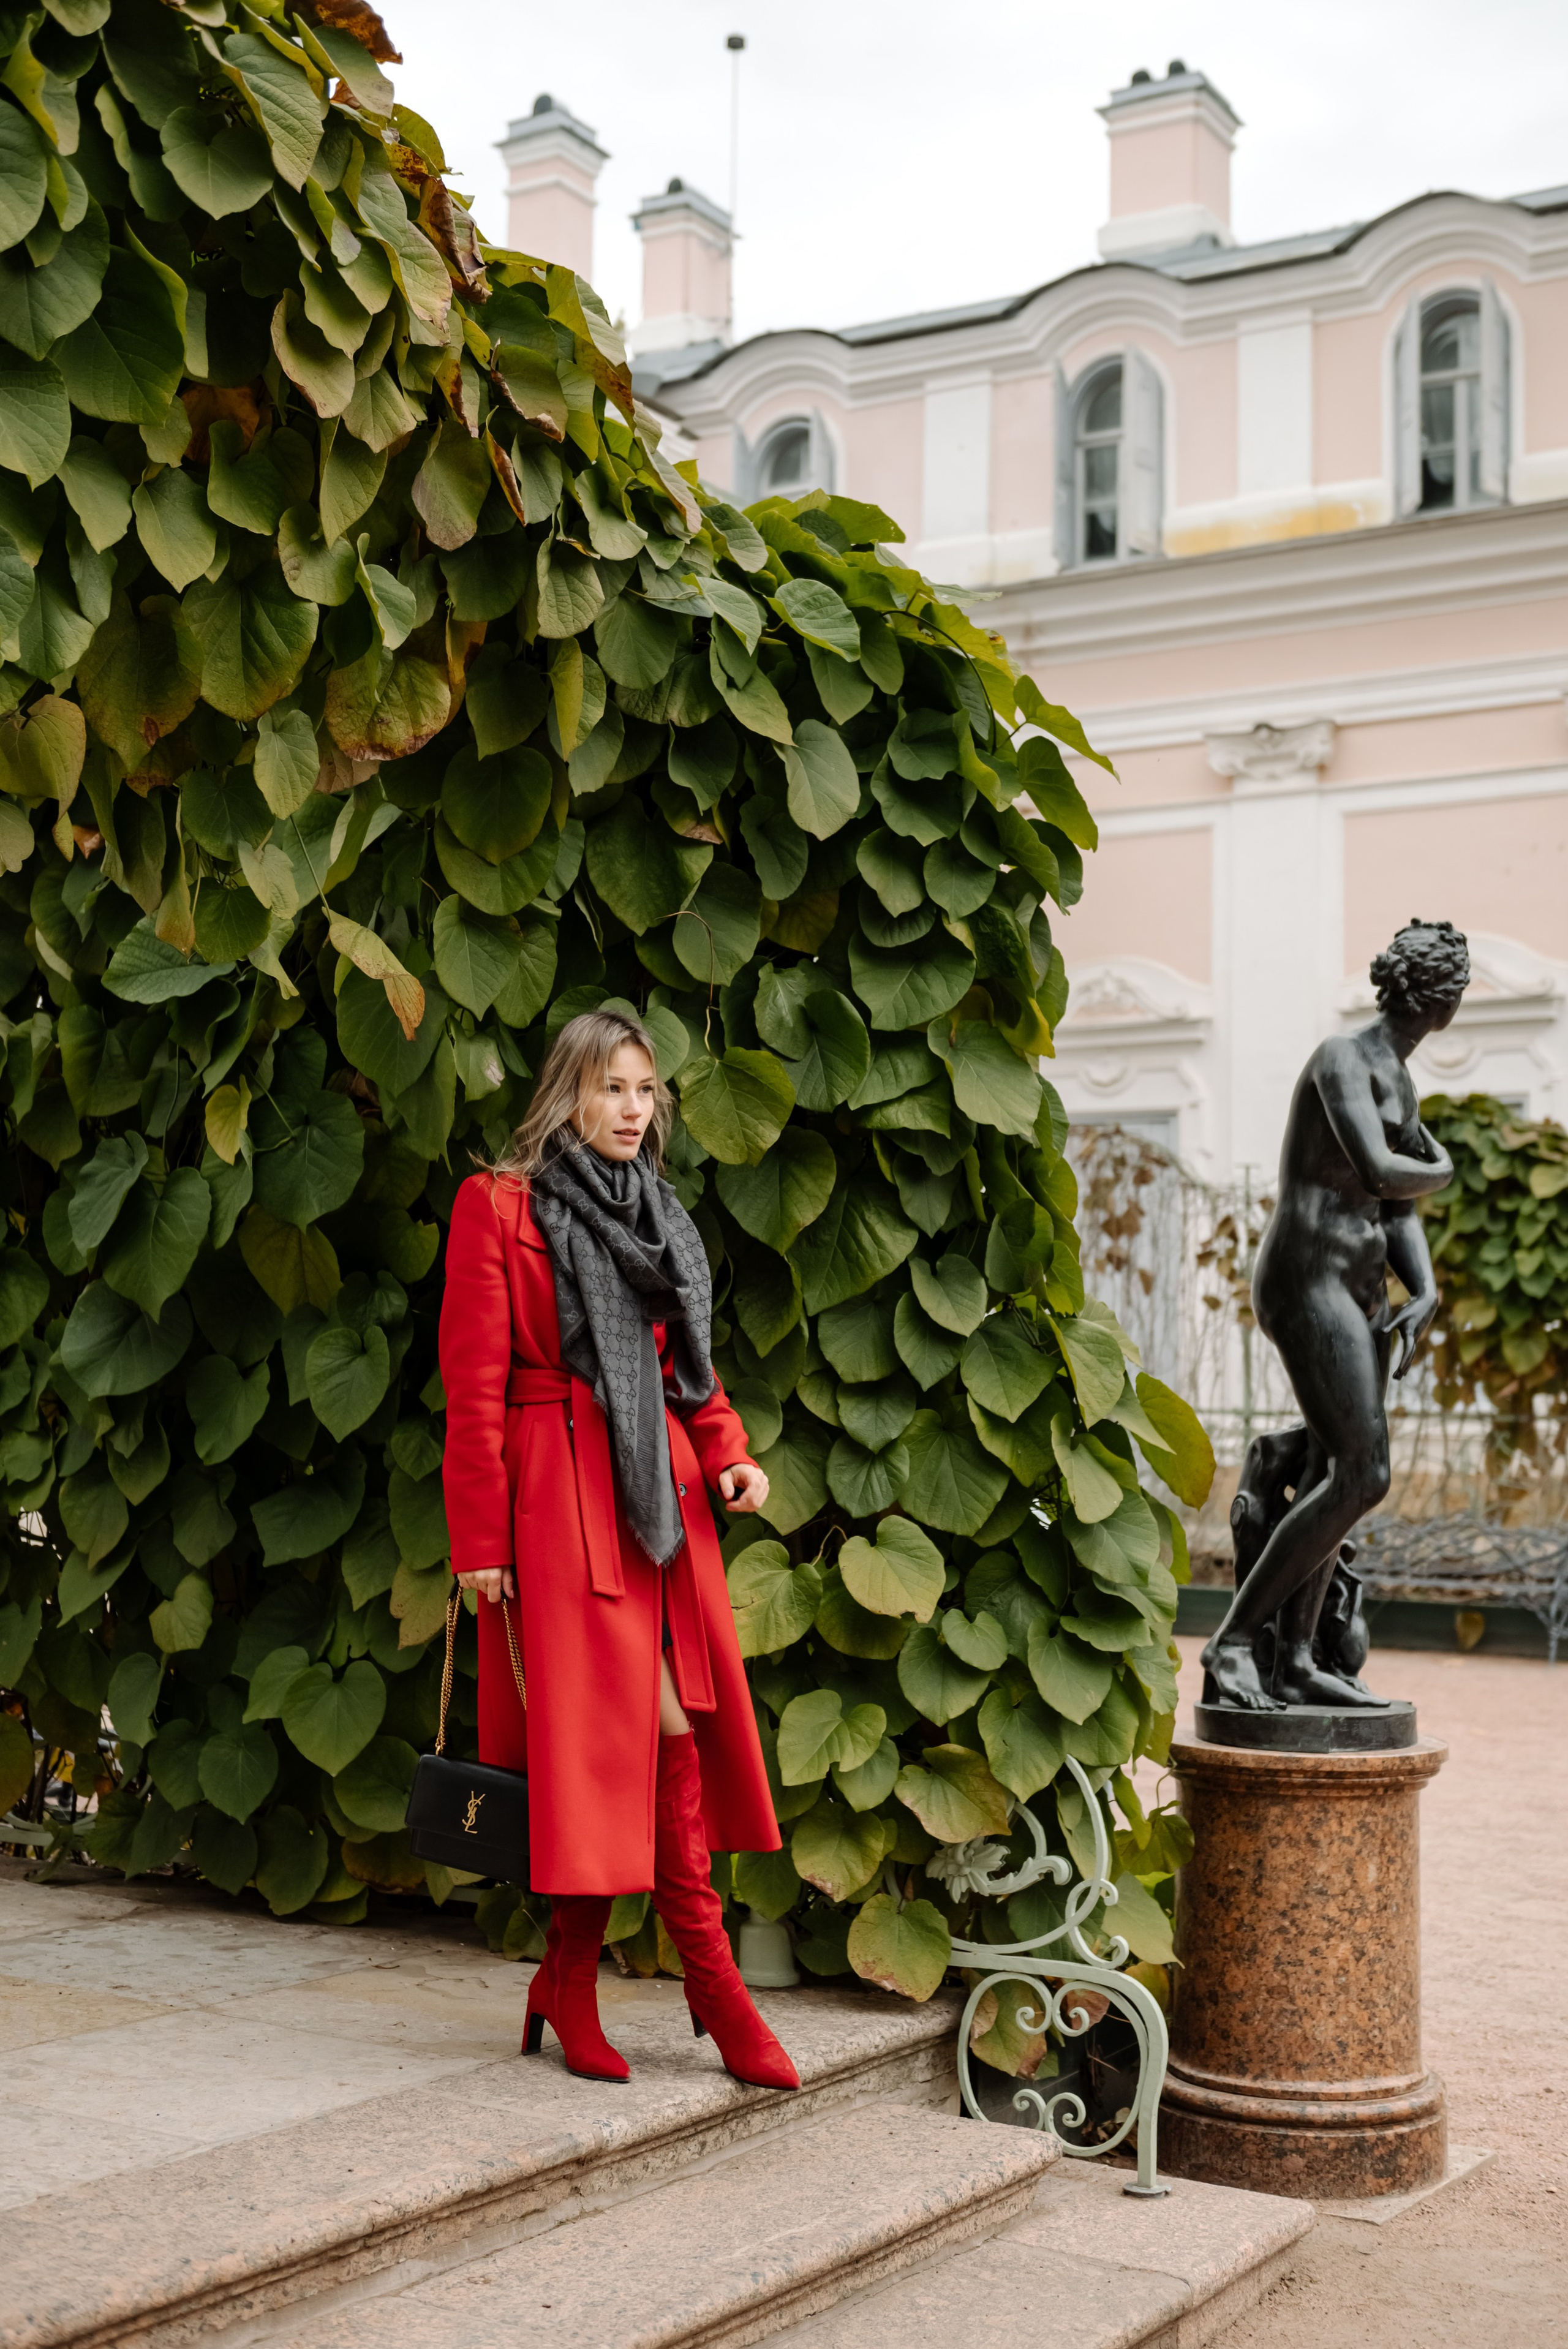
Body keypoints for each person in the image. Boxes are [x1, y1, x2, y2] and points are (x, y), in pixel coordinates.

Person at [439, 1008, 799, 2089]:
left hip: (662, 1503)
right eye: (614, 1090)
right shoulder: (497, 1207)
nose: (636, 1112)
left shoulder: (658, 1214)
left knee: (667, 1734)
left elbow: (686, 1365)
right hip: (560, 1504)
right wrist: (478, 1540)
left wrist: (728, 1451)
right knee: (619, 1739)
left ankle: (581, 1976)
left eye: (647, 1091)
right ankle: (708, 1984)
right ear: (569, 1095)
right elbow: (475, 1388)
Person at [1200, 919, 1469, 1713]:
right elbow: (1386, 1172)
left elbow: (1394, 1212)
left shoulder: (1398, 1075)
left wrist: (1421, 1289)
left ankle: (1293, 1662)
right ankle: (1233, 1645)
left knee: (1331, 1468)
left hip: (1358, 1286)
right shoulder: (1342, 1060)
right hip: (1307, 1278)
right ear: (1438, 1001)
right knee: (1365, 1471)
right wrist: (1444, 1166)